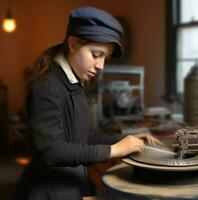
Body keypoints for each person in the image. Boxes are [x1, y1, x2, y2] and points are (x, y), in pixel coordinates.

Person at [14, 7, 160, 200]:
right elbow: (51, 150)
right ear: (73, 44)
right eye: (96, 54)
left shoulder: (76, 83)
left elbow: (83, 135)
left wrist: (123, 140)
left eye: (105, 58)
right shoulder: (47, 87)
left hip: (72, 185)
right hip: (48, 191)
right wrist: (113, 150)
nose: (101, 66)